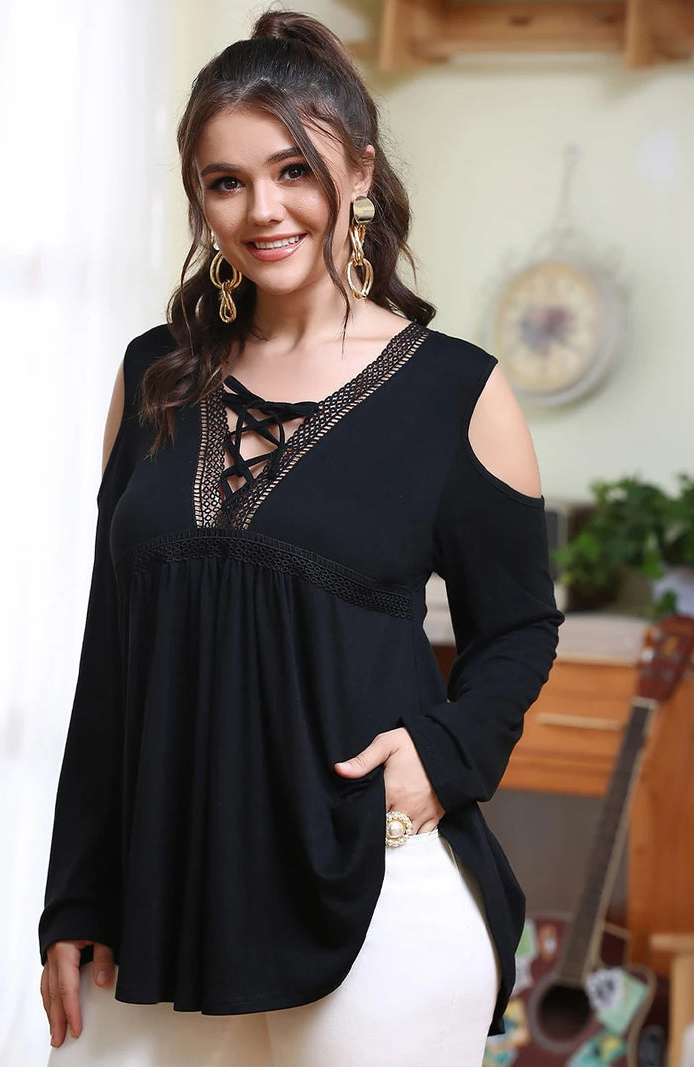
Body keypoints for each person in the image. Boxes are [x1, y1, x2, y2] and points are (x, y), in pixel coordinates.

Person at [38, 9, 563, 1066]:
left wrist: (441, 756)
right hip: (160, 894)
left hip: (376, 888)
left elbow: (516, 629)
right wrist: (75, 894)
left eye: (294, 170)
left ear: (358, 171)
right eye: (225, 182)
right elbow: (110, 652)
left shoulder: (457, 390)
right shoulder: (153, 376)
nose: (262, 209)